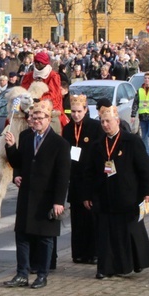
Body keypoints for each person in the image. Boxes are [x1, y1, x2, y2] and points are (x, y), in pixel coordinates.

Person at [3, 100, 71, 289]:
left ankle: (42, 274)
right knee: (22, 235)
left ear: (48, 119)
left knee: (44, 238)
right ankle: (22, 273)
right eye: (34, 118)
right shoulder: (25, 136)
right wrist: (11, 147)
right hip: (27, 195)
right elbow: (19, 161)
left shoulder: (60, 144)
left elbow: (63, 175)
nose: (36, 121)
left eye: (40, 118)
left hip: (46, 197)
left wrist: (58, 201)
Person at [85, 105, 149, 279]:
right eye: (102, 122)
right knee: (105, 234)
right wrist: (87, 195)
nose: (105, 125)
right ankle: (105, 267)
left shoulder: (131, 141)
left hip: (127, 194)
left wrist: (148, 192)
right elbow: (90, 172)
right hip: (104, 195)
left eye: (108, 121)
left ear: (117, 121)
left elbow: (144, 168)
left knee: (128, 231)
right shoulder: (97, 144)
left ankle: (130, 264)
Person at [61, 94, 104, 264]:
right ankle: (78, 252)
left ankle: (93, 252)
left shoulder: (94, 127)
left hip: (90, 177)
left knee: (91, 218)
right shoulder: (68, 128)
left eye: (79, 111)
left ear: (85, 110)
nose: (76, 115)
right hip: (75, 178)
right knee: (77, 219)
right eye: (73, 111)